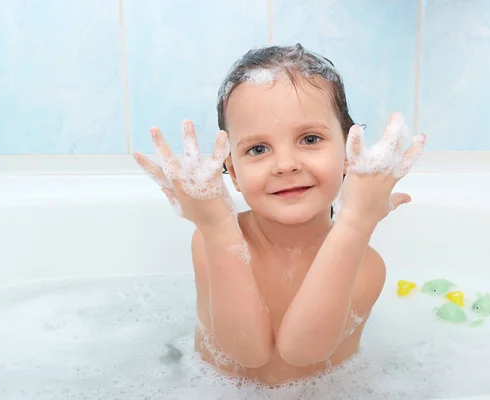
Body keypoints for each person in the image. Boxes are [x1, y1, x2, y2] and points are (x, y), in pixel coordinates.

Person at [134, 43, 425, 385]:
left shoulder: (366, 265)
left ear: (349, 153)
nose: (286, 165)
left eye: (310, 139)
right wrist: (216, 226)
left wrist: (358, 221)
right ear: (233, 171)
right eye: (258, 149)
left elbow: (302, 350)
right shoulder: (211, 239)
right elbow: (246, 352)